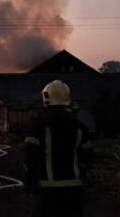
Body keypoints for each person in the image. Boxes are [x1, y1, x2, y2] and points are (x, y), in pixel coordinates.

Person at [24, 80, 94, 217]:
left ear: (46, 98)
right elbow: (88, 158)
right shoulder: (80, 128)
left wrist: (30, 184)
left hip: (48, 191)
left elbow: (30, 159)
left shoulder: (38, 126)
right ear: (67, 99)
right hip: (74, 191)